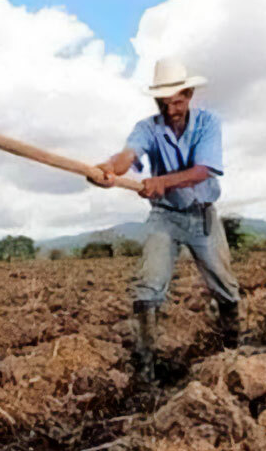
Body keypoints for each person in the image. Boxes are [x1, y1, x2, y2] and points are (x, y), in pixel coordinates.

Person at [91, 58, 241, 379]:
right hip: (164, 215)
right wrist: (106, 169)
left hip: (201, 215)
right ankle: (146, 367)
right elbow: (128, 156)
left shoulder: (208, 124)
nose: (171, 108)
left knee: (225, 285)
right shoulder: (147, 128)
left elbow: (203, 170)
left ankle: (232, 347)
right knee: (148, 285)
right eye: (165, 102)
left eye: (177, 100)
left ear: (188, 95)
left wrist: (163, 181)